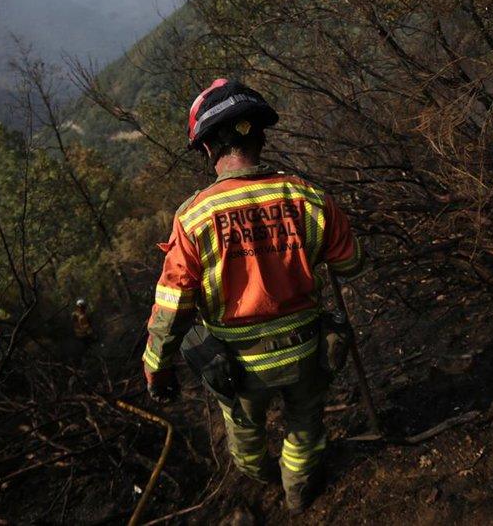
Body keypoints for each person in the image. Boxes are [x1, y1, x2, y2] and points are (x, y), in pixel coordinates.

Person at [141, 79, 364, 513]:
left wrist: (156, 369)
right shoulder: (308, 196)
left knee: (245, 445)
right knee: (305, 430)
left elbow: (172, 311)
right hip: (306, 355)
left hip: (238, 370)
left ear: (208, 148)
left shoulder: (194, 217)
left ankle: (267, 479)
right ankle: (299, 495)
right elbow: (351, 264)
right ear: (259, 136)